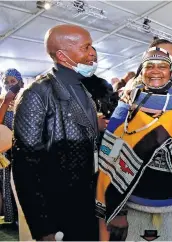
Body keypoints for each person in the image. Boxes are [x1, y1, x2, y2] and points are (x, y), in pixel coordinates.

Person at [96, 47, 172, 241]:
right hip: (133, 203)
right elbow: (110, 159)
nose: (156, 71)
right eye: (149, 66)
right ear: (141, 71)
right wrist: (117, 210)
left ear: (170, 71)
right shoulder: (126, 106)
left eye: (162, 66)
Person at [12, 24, 100, 241]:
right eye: (85, 47)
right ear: (62, 55)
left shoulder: (83, 88)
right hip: (56, 212)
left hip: (85, 205)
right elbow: (25, 165)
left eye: (92, 46)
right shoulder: (37, 93)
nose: (92, 53)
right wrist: (42, 228)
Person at [0, 69, 23, 226]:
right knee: (7, 183)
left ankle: (24, 217)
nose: (9, 85)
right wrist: (6, 102)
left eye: (12, 81)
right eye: (6, 82)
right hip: (6, 152)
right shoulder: (2, 101)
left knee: (22, 183)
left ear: (20, 82)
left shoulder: (27, 99)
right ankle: (12, 218)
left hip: (23, 150)